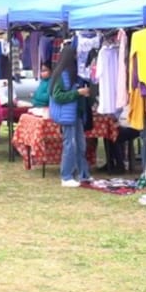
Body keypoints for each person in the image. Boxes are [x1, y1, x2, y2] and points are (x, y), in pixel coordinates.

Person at [49, 43, 92, 187]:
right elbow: (57, 96)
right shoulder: (62, 75)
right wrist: (77, 93)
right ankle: (66, 176)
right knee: (70, 144)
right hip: (67, 115)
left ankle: (83, 174)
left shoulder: (73, 74)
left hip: (76, 114)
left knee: (80, 144)